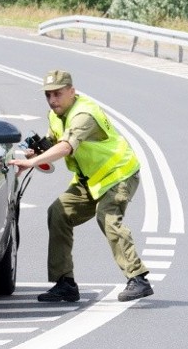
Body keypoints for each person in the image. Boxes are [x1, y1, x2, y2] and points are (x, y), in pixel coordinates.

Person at [9, 70, 153, 303]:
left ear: (71, 92)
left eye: (57, 94)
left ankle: (138, 278)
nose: (53, 100)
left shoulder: (84, 113)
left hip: (118, 175)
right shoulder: (56, 115)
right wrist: (39, 151)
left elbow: (66, 147)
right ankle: (65, 283)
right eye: (48, 95)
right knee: (58, 213)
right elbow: (55, 141)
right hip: (90, 180)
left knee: (107, 216)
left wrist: (32, 162)